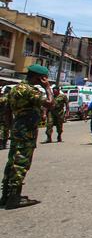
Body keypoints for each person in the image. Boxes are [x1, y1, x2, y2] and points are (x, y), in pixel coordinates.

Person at [0, 64, 53, 209]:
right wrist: (48, 87)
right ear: (39, 77)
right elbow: (50, 103)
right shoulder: (30, 91)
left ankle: (6, 195)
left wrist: (11, 128)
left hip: (17, 128)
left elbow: (7, 112)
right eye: (44, 78)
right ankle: (14, 198)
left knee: (12, 161)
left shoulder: (14, 89)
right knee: (21, 162)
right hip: (27, 130)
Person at [0, 85, 13, 150]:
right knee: (6, 129)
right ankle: (3, 143)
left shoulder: (6, 97)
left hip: (3, 116)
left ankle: (2, 144)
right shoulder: (10, 97)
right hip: (7, 116)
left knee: (3, 130)